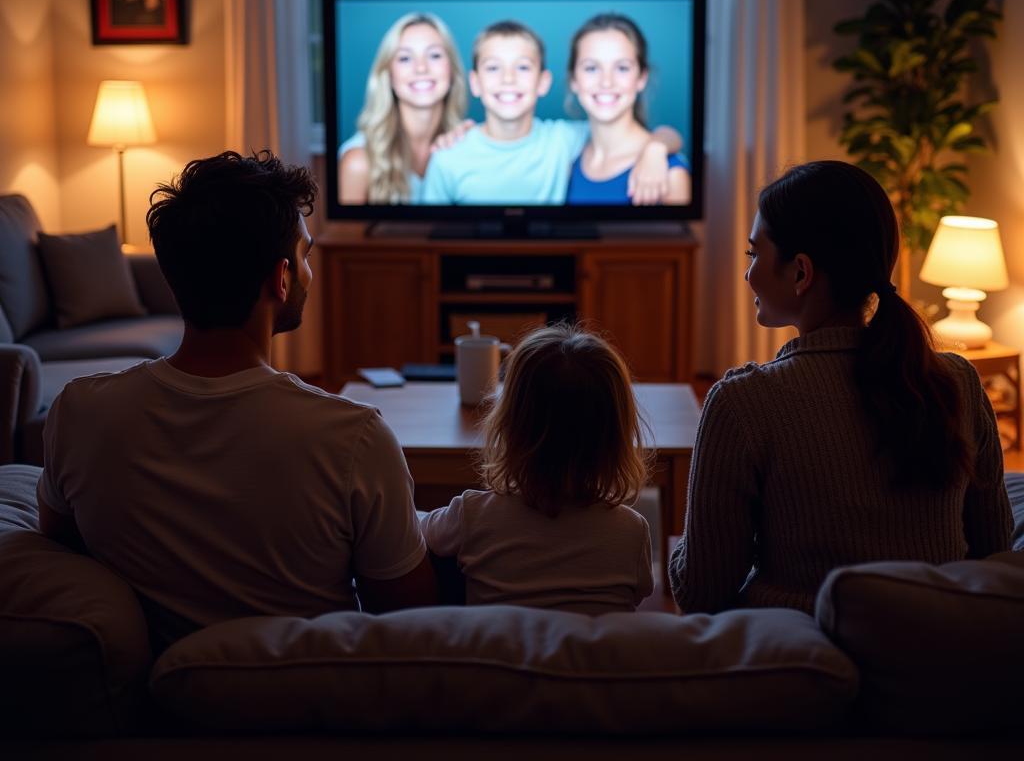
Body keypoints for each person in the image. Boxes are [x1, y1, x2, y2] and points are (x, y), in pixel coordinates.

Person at [37, 150, 436, 648]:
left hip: (157, 699)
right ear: (282, 278)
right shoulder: (354, 437)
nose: (309, 273)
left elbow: (60, 541)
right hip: (311, 699)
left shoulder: (78, 413)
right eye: (305, 256)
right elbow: (412, 619)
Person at [669, 160, 1013, 616]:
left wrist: (676, 546)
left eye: (754, 254)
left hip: (798, 660)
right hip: (938, 656)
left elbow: (700, 593)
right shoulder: (958, 382)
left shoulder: (743, 403)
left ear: (800, 273)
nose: (748, 273)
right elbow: (993, 550)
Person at [421, 323, 655, 614]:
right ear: (616, 438)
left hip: (498, 657)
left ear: (509, 426)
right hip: (591, 659)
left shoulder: (472, 514)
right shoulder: (632, 531)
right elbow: (641, 592)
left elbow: (417, 534)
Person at [421, 19, 678, 205]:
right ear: (474, 83)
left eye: (522, 67)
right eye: (493, 68)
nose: (508, 79)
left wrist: (657, 148)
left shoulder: (563, 139)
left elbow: (643, 134)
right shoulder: (449, 155)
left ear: (543, 82)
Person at [339, 12, 469, 204]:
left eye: (434, 55)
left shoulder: (467, 144)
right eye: (405, 58)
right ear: (388, 75)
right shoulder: (357, 162)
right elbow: (343, 235)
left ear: (452, 70)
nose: (421, 68)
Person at [566, 14, 691, 206]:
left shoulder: (670, 174)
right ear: (573, 80)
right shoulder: (565, 159)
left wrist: (655, 148)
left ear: (641, 78)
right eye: (591, 68)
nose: (606, 82)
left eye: (622, 68)